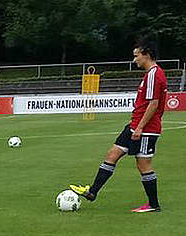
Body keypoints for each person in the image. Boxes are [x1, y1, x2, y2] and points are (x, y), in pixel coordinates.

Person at [69, 41, 166, 213]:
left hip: (145, 129)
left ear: (147, 54)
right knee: (112, 154)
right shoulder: (150, 74)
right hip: (134, 125)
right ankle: (92, 192)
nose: (134, 59)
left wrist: (140, 128)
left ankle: (153, 204)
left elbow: (153, 104)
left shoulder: (154, 74)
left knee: (143, 164)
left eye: (136, 55)